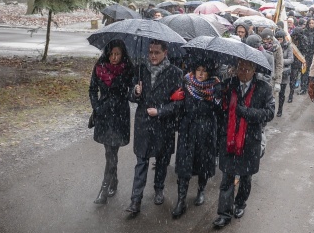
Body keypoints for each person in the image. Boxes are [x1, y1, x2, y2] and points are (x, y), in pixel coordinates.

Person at [212, 59, 275, 228]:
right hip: (229, 138)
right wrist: (217, 95)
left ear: (254, 70)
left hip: (250, 140)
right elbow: (218, 108)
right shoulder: (228, 85)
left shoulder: (263, 88)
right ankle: (224, 213)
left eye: (247, 69)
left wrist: (246, 112)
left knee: (246, 177)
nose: (243, 72)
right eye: (240, 68)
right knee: (227, 176)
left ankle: (240, 204)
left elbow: (269, 113)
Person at [125, 40, 184, 214]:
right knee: (141, 161)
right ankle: (136, 199)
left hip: (164, 125)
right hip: (143, 122)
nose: (152, 56)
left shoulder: (175, 73)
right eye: (150, 52)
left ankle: (159, 188)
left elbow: (179, 103)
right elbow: (131, 96)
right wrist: (135, 92)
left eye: (156, 52)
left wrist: (160, 111)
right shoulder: (140, 70)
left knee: (162, 159)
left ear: (165, 53)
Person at [172, 62, 221, 217]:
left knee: (203, 162)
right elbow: (180, 105)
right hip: (188, 128)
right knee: (184, 164)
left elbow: (219, 112)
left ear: (210, 73)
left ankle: (201, 190)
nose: (200, 74)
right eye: (198, 70)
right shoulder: (186, 83)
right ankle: (181, 199)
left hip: (206, 129)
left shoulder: (215, 88)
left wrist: (217, 99)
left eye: (204, 71)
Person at [89, 40, 134, 204]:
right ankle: (114, 180)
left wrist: (135, 91)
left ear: (123, 55)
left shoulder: (128, 69)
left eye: (118, 54)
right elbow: (92, 89)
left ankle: (104, 188)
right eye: (111, 54)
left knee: (111, 152)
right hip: (104, 114)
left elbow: (132, 94)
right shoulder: (99, 67)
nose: (114, 57)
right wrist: (97, 107)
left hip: (120, 115)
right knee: (109, 152)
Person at [299, 18, 314, 95]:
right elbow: (301, 43)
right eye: (310, 23)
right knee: (304, 71)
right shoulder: (304, 32)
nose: (311, 24)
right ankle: (303, 88)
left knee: (313, 72)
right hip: (306, 54)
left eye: (312, 23)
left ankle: (311, 88)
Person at [275, 29, 294, 117]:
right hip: (274, 72)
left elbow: (291, 59)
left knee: (282, 93)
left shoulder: (288, 46)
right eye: (277, 39)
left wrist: (280, 61)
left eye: (281, 39)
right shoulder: (273, 46)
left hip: (284, 72)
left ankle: (280, 109)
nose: (279, 41)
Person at [260, 28, 283, 92]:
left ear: (271, 38)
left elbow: (279, 64)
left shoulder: (277, 47)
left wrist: (278, 81)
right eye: (264, 39)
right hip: (261, 75)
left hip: (272, 77)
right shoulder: (260, 46)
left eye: (267, 39)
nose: (265, 41)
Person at [289, 26, 308, 103]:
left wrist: (301, 42)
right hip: (292, 61)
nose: (295, 37)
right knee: (292, 80)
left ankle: (299, 90)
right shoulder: (291, 39)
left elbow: (305, 50)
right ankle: (291, 93)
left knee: (300, 76)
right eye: (294, 35)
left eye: (297, 35)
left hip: (299, 61)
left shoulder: (304, 39)